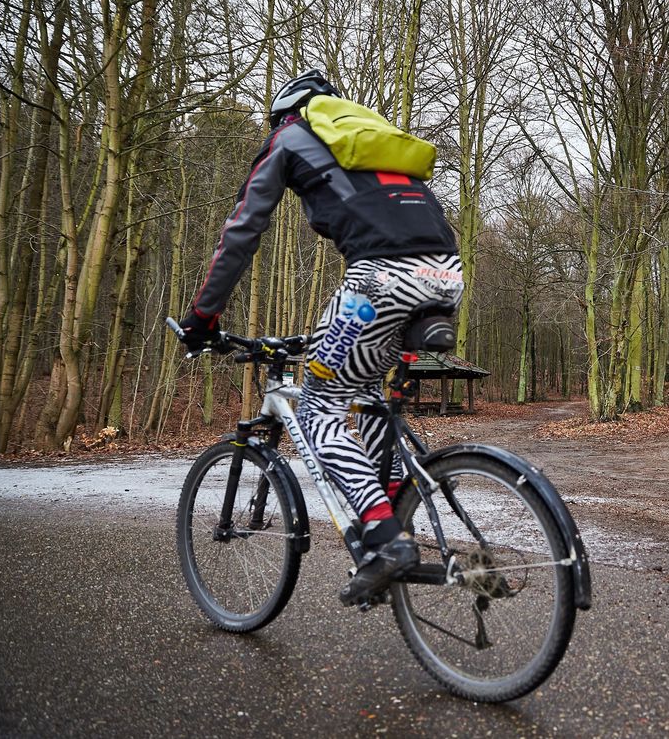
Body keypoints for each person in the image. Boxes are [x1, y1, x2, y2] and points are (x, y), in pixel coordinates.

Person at [177, 69, 464, 606]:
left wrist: (202, 318)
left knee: (319, 406)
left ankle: (383, 536)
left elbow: (241, 232)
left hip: (380, 280)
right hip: (447, 274)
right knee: (367, 392)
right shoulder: (374, 143)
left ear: (283, 112)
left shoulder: (287, 137)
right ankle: (394, 506)